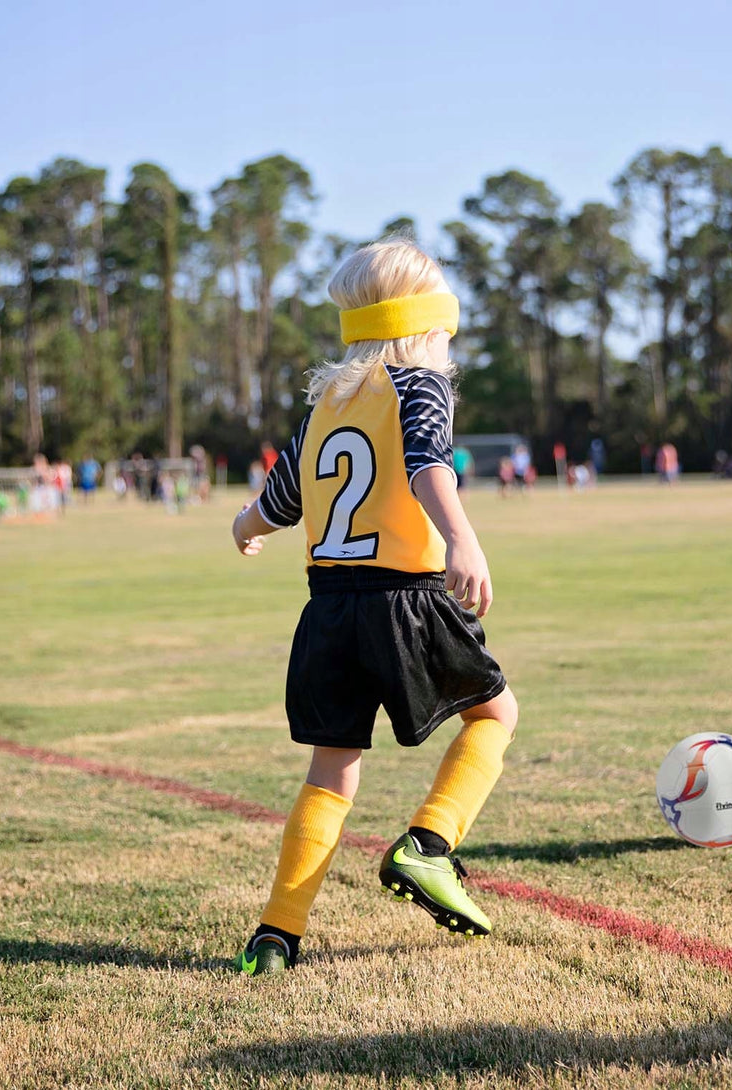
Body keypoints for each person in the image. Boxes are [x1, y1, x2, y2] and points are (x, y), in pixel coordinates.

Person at [227, 238, 516, 975]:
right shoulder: (419, 383)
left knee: (332, 769)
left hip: (327, 608)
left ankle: (276, 935)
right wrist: (462, 539)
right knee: (496, 715)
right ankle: (427, 846)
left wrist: (244, 526)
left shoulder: (328, 401)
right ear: (428, 321)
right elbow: (427, 464)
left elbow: (281, 500)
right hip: (404, 597)